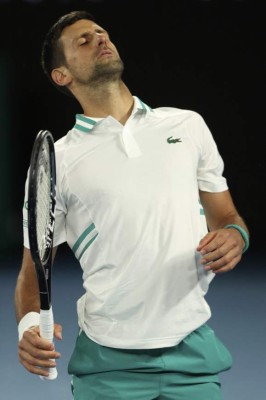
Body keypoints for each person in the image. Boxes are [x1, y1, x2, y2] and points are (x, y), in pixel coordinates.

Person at [15, 10, 250, 400]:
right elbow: (31, 272)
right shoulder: (59, 161)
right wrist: (26, 328)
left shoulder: (186, 126)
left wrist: (235, 235)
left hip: (193, 355)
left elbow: (226, 216)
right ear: (62, 75)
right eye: (84, 41)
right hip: (107, 367)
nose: (100, 40)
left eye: (101, 33)